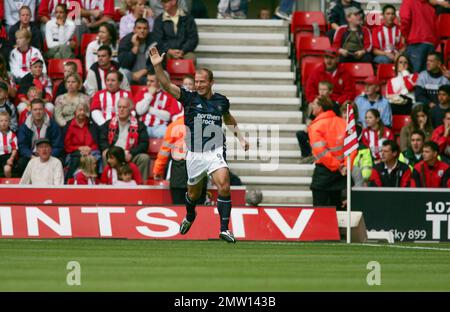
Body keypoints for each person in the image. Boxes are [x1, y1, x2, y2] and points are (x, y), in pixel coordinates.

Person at [150, 46, 249, 243]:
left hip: (215, 150)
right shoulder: (189, 97)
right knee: (193, 194)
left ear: (211, 82)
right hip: (195, 153)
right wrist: (158, 68)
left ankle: (224, 229)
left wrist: (240, 138)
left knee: (224, 184)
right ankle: (190, 215)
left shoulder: (221, 101)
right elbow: (167, 85)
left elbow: (228, 119)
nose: (199, 85)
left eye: (202, 82)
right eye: (196, 82)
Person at [308, 95, 348, 210]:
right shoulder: (343, 123)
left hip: (324, 173)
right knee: (338, 211)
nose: (312, 106)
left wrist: (338, 166)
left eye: (314, 104)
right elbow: (351, 149)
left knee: (320, 212)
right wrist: (344, 165)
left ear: (320, 108)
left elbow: (321, 152)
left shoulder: (316, 126)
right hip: (341, 174)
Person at [99, 97, 150, 181]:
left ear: (130, 109)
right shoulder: (109, 124)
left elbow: (144, 144)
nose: (121, 110)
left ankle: (141, 187)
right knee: (105, 154)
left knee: (144, 158)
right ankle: (107, 183)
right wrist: (111, 151)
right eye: (119, 107)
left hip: (130, 154)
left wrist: (131, 153)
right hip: (114, 154)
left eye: (124, 107)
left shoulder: (139, 125)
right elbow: (102, 140)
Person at [17, 99, 63, 175]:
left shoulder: (53, 125)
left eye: (40, 109)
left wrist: (47, 156)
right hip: (32, 155)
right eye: (35, 109)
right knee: (21, 163)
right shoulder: (24, 126)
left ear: (44, 110)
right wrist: (30, 156)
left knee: (59, 161)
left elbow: (58, 146)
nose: (38, 112)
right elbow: (22, 146)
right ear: (30, 110)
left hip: (49, 154)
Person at [135, 71, 183, 138]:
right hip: (143, 127)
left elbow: (167, 117)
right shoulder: (142, 93)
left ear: (159, 82)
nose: (148, 83)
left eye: (152, 81)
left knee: (172, 135)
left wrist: (149, 109)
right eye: (147, 80)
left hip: (160, 127)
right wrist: (150, 95)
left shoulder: (167, 96)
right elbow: (139, 111)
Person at [63, 102, 100, 180]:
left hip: (91, 151)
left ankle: (94, 182)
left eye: (84, 110)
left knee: (93, 158)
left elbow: (96, 142)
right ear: (75, 112)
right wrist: (79, 148)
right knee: (76, 158)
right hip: (74, 152)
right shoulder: (69, 125)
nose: (82, 112)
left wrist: (89, 149)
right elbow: (67, 145)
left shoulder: (92, 125)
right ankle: (69, 182)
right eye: (80, 110)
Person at [400, 0, 439, 73]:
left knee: (415, 76)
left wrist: (405, 36)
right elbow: (436, 29)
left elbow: (405, 20)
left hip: (416, 43)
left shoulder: (408, 1)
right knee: (427, 77)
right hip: (430, 44)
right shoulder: (430, 7)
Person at [119, 18, 156, 85]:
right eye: (139, 28)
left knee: (164, 74)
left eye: (145, 28)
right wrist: (135, 47)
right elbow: (123, 64)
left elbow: (159, 62)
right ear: (134, 29)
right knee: (123, 72)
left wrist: (144, 71)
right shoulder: (126, 41)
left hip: (149, 74)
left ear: (148, 30)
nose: (142, 31)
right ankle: (125, 95)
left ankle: (161, 95)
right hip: (131, 74)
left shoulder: (153, 41)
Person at [0, 112, 18, 178]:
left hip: (8, 157)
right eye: (1, 121)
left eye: (6, 121)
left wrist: (11, 158)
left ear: (9, 122)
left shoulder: (12, 135)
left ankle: (9, 185)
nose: (4, 123)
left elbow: (14, 149)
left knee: (7, 169)